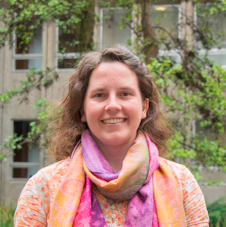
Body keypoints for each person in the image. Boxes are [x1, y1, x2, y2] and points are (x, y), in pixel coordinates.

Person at [14, 45, 209, 226]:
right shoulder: (43, 187)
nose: (113, 105)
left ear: (144, 107)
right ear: (82, 110)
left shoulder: (182, 182)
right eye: (100, 95)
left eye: (125, 93)